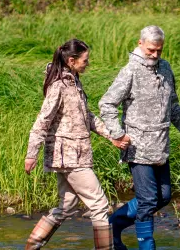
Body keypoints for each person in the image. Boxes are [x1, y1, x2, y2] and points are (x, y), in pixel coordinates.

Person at [99, 25, 180, 250]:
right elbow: (107, 103)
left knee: (163, 197)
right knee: (147, 201)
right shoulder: (130, 71)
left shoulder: (165, 68)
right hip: (137, 146)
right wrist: (117, 133)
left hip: (160, 146)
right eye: (151, 50)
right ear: (140, 43)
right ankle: (147, 246)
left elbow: (173, 105)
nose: (155, 55)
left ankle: (112, 225)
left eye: (159, 51)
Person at [23, 39, 127, 250]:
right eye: (85, 60)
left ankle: (32, 246)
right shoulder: (59, 86)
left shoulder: (74, 82)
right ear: (72, 60)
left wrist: (112, 136)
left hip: (73, 155)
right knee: (99, 205)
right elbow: (43, 120)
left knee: (67, 206)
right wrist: (31, 154)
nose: (87, 63)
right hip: (70, 156)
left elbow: (86, 117)